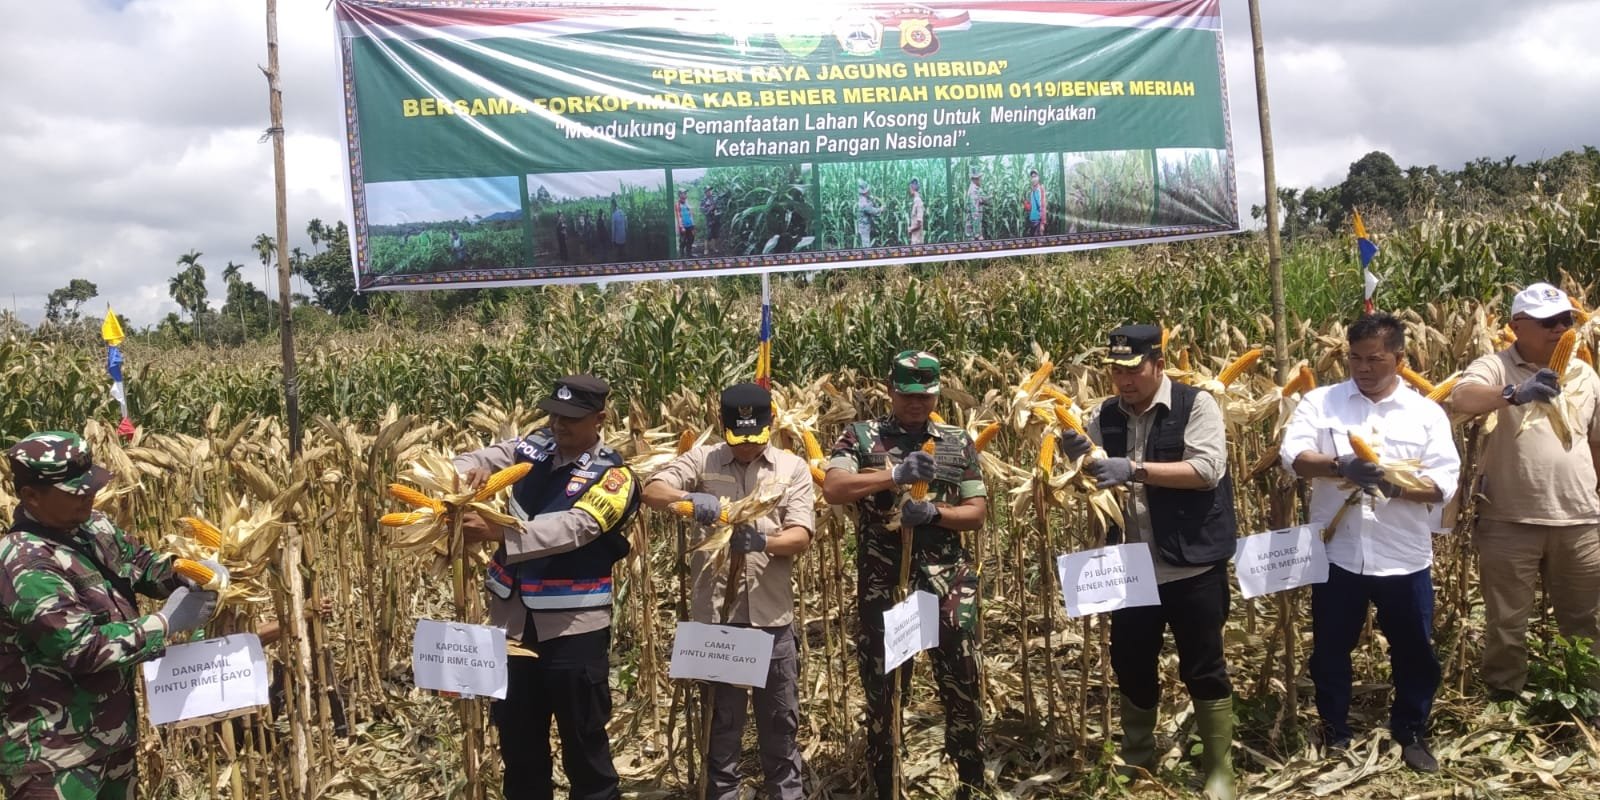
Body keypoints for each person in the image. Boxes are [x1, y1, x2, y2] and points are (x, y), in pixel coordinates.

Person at [1056, 324, 1237, 800]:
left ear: (1159, 363)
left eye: (1133, 370)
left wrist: (1132, 470)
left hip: (1191, 563)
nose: (1124, 380)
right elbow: (1090, 475)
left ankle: (1219, 766)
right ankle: (1138, 754)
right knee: (1131, 662)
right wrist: (1077, 456)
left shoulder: (1196, 405)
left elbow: (1205, 471)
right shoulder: (1105, 416)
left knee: (1204, 665)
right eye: (1116, 371)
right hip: (1131, 570)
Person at [1281, 313, 1460, 772]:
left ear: (1399, 360)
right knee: (1330, 648)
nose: (1363, 367)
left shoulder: (1426, 413)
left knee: (1414, 649)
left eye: (1375, 359)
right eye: (1355, 358)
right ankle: (1335, 728)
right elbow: (1293, 456)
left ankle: (1411, 730)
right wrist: (1341, 465)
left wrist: (1396, 487)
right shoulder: (1322, 403)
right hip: (1338, 554)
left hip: (1403, 554)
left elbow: (1444, 483)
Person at [0, 431, 218, 799]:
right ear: (30, 496)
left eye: (89, 485)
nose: (87, 494)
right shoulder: (24, 563)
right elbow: (81, 647)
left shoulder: (93, 527)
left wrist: (185, 573)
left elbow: (142, 565)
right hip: (53, 755)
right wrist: (163, 623)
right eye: (73, 491)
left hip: (111, 738)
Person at [454, 376, 642, 800]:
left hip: (573, 631)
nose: (559, 424)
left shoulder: (615, 476)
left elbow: (578, 526)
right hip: (512, 627)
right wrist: (467, 474)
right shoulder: (531, 447)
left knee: (584, 747)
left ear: (600, 419)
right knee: (519, 749)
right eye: (554, 414)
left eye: (571, 418)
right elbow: (467, 459)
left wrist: (500, 534)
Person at [822, 351, 988, 799]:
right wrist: (893, 475)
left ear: (937, 392)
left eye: (926, 395)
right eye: (907, 395)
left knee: (964, 678)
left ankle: (971, 778)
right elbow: (834, 487)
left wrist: (935, 513)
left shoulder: (956, 441)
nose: (917, 403)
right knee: (887, 686)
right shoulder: (860, 437)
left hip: (948, 582)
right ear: (891, 391)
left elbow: (976, 513)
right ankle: (887, 782)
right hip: (885, 584)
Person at [642, 383, 814, 800]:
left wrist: (763, 543)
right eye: (739, 439)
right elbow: (651, 490)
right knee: (721, 728)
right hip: (718, 623)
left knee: (780, 726)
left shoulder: (792, 467)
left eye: (756, 440)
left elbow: (801, 536)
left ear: (770, 426)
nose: (747, 448)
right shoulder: (703, 458)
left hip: (771, 622)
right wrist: (689, 498)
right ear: (723, 426)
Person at [1448, 282, 1600, 712]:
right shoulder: (1496, 366)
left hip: (1579, 520)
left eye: (1566, 321)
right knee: (1507, 623)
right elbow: (1462, 397)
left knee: (1585, 621)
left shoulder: (1586, 374)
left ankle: (1585, 696)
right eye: (1548, 322)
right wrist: (1516, 392)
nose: (1561, 329)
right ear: (1517, 327)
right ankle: (1504, 698)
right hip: (1509, 522)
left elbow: (1596, 442)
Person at [855, 180, 883, 248]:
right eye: (868, 190)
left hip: (864, 226)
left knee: (866, 242)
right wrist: (881, 209)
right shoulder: (863, 202)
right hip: (864, 227)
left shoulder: (864, 199)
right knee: (866, 246)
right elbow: (872, 211)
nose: (869, 191)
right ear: (865, 192)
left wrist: (872, 200)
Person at [965, 167, 987, 241]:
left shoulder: (975, 189)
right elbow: (975, 213)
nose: (981, 180)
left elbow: (980, 200)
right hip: (973, 233)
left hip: (974, 230)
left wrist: (988, 198)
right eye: (980, 178)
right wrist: (978, 234)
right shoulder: (973, 191)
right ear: (975, 179)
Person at [1026, 168, 1047, 236]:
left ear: (1038, 177)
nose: (1033, 178)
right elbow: (1031, 207)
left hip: (1038, 221)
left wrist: (1042, 224)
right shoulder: (1032, 191)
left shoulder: (1040, 189)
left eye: (1035, 176)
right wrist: (1027, 205)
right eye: (1032, 177)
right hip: (1032, 220)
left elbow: (1043, 206)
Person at [674, 189, 695, 257]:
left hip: (690, 225)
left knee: (691, 239)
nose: (685, 195)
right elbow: (678, 216)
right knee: (683, 240)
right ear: (680, 195)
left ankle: (689, 253)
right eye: (684, 193)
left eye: (685, 193)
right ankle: (681, 254)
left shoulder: (687, 203)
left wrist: (693, 224)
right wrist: (681, 226)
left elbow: (691, 214)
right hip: (683, 225)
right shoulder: (677, 204)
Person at [700, 188, 721, 253]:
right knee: (708, 234)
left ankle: (713, 248)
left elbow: (719, 207)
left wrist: (717, 211)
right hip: (708, 219)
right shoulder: (703, 200)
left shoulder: (715, 198)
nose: (709, 192)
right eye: (708, 191)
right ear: (705, 192)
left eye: (710, 190)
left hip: (715, 218)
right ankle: (706, 249)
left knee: (715, 234)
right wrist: (709, 209)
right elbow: (702, 209)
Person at [907, 178, 926, 246]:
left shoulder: (918, 201)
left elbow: (919, 223)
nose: (909, 190)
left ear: (912, 188)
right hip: (915, 239)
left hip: (917, 242)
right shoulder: (916, 201)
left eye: (909, 188)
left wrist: (910, 229)